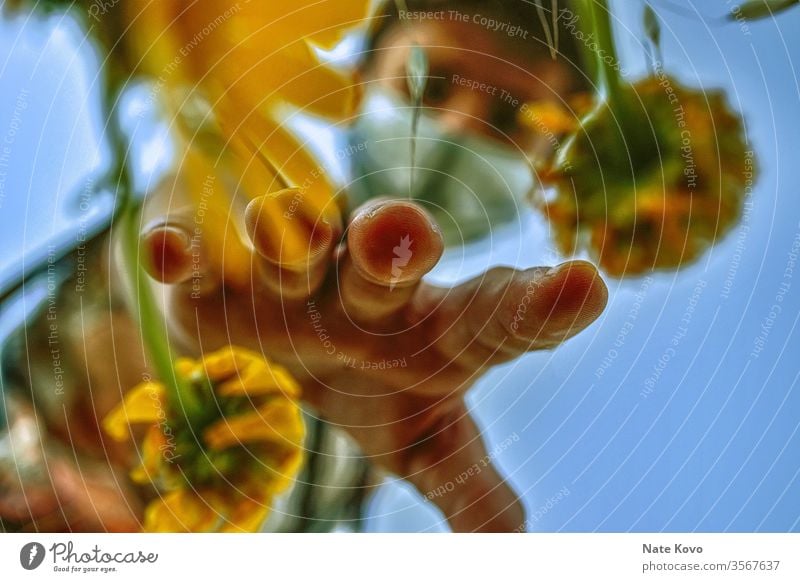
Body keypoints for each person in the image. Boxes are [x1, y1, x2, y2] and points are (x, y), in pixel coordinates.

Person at [0, 0, 607, 533]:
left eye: (509, 121)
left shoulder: (388, 426)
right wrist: (191, 292)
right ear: (361, 76)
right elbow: (185, 222)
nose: (455, 126)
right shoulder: (254, 201)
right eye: (430, 82)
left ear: (545, 168)